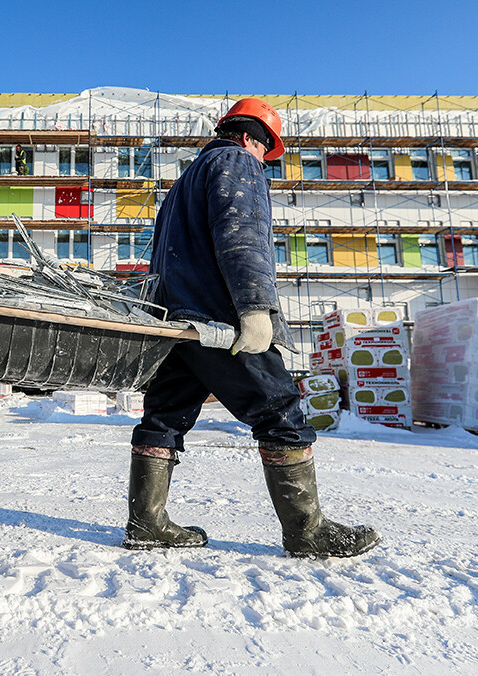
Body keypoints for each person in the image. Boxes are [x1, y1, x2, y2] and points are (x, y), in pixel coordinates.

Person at [122, 98, 380, 558]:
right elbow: (241, 233)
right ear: (249, 138)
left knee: (163, 417)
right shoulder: (237, 161)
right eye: (267, 152)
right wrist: (256, 309)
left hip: (173, 321)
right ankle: (307, 531)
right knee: (279, 408)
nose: (266, 162)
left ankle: (147, 523)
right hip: (220, 320)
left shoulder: (185, 180)